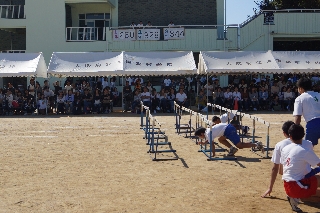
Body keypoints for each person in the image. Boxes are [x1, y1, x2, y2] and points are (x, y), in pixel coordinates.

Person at [261, 121, 314, 199]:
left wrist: (270, 188)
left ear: (284, 133)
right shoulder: (309, 143)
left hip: (289, 178)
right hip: (305, 176)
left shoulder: (280, 145)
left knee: (285, 164)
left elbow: (275, 168)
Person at [280, 124, 320, 212]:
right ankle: (296, 197)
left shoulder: (285, 148)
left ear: (290, 136)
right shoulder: (304, 150)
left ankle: (295, 197)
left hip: (287, 184)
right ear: (303, 135)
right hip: (296, 185)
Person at [194, 124, 264, 156]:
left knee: (239, 145)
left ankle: (256, 144)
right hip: (227, 128)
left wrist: (213, 155)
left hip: (228, 130)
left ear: (201, 133)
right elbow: (209, 140)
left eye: (199, 136)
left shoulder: (208, 133)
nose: (199, 138)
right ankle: (232, 149)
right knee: (220, 139)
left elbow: (212, 145)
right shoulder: (208, 131)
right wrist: (203, 143)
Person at [293, 77, 320, 146]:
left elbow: (297, 117)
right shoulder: (318, 95)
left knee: (307, 147)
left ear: (300, 88)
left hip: (313, 124)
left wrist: (296, 130)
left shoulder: (300, 98)